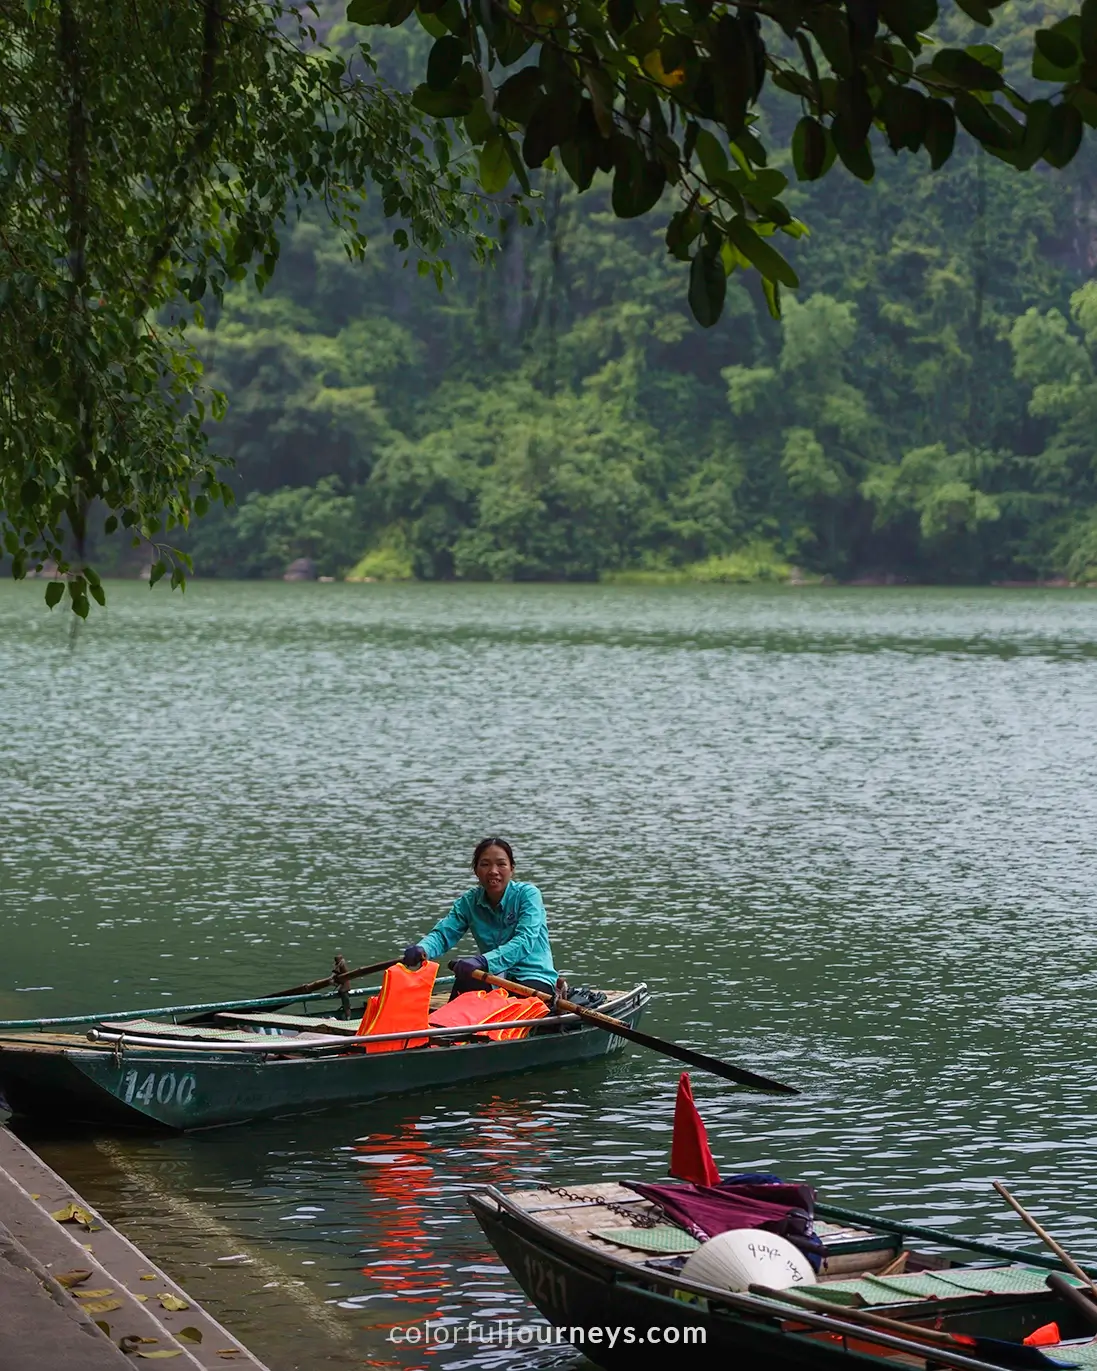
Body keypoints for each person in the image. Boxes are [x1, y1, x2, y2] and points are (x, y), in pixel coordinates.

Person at [403, 837, 559, 997]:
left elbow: (524, 941)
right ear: (476, 870)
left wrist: (483, 961)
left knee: (513, 1003)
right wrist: (423, 949)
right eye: (485, 864)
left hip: (532, 977)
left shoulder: (528, 894)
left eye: (501, 864)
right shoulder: (469, 901)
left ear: (512, 868)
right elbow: (443, 935)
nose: (493, 871)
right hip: (492, 976)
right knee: (464, 981)